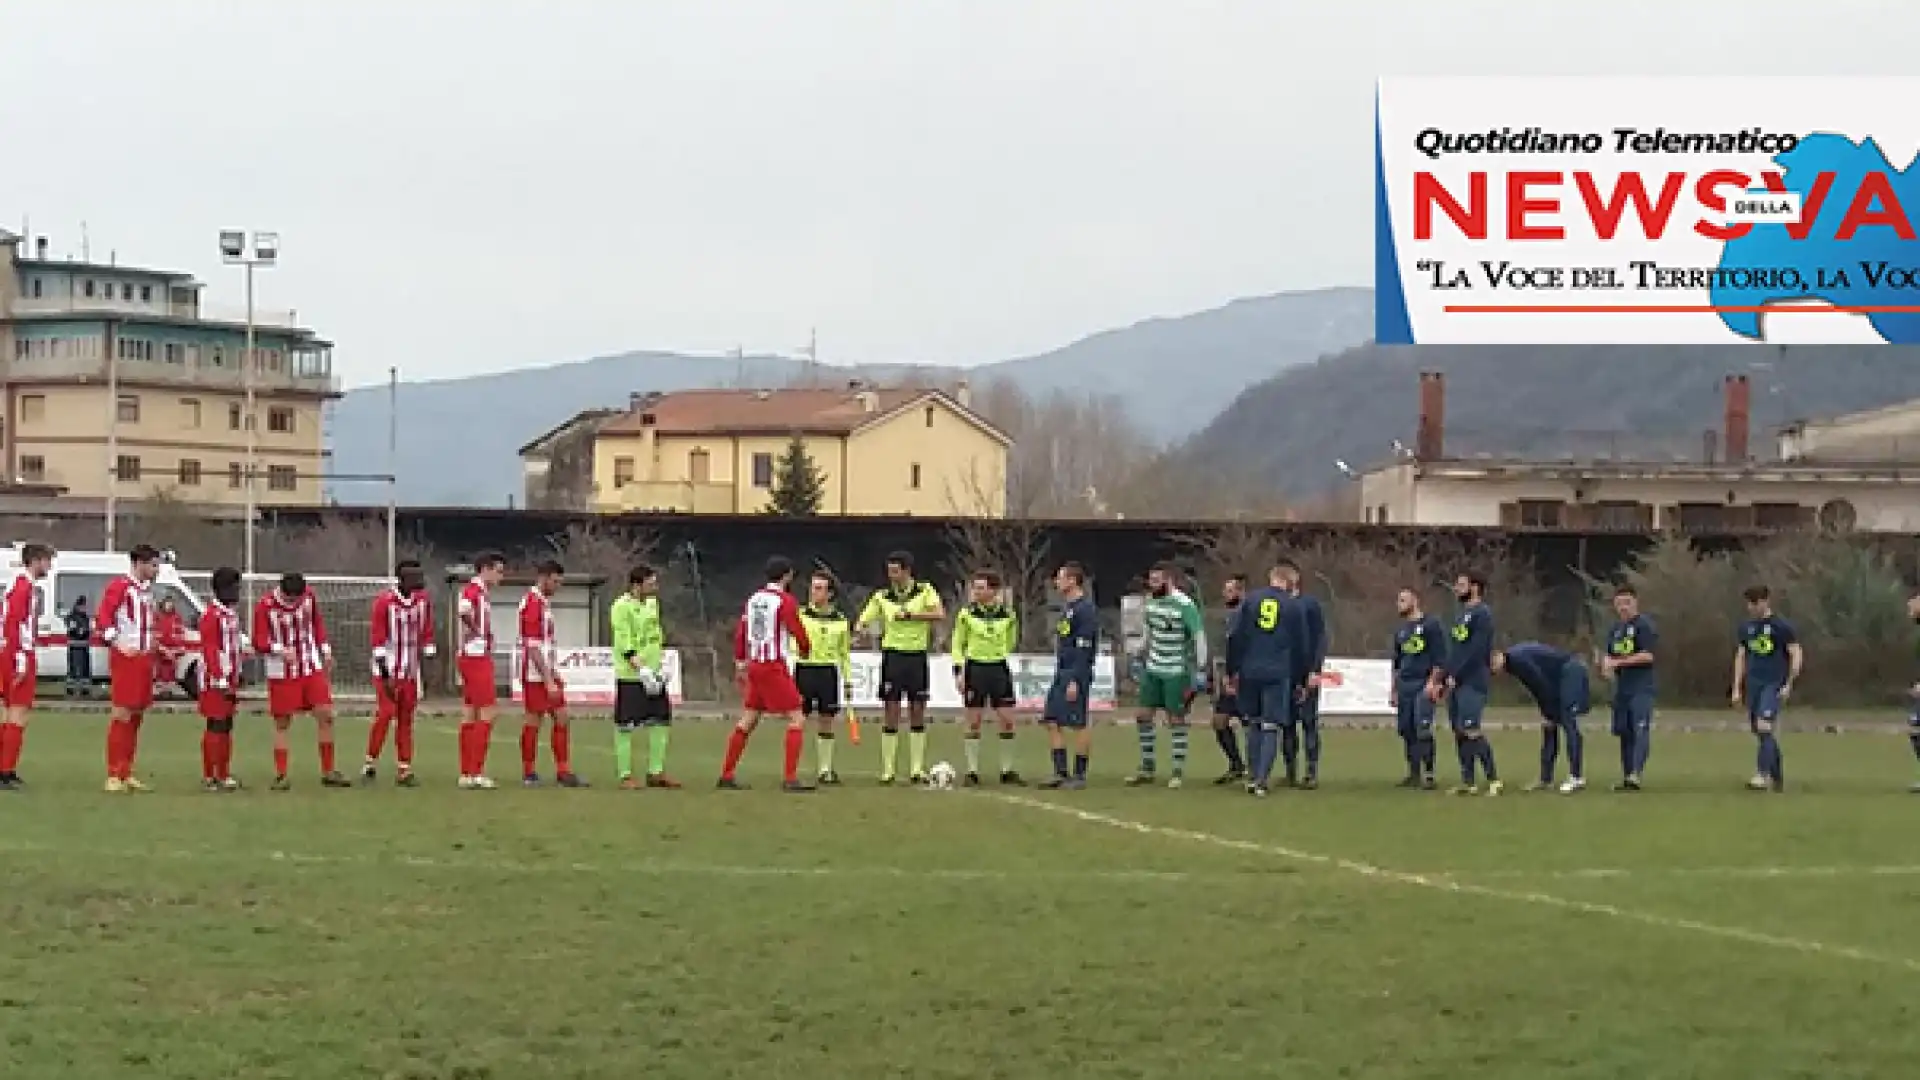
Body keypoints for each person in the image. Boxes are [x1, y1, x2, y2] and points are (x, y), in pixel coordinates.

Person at [722, 556, 814, 792]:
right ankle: (790, 778)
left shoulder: (753, 600)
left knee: (749, 718)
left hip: (755, 664)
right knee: (797, 718)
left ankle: (727, 774)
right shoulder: (784, 601)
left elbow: (742, 631)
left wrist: (740, 659)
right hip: (773, 665)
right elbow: (795, 628)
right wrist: (805, 648)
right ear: (788, 576)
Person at [254, 572, 347, 790]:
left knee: (325, 714)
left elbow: (317, 624)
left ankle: (328, 771)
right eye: (289, 599)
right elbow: (259, 640)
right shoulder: (265, 606)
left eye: (296, 598)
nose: (293, 603)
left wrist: (325, 651)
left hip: (310, 665)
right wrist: (279, 650)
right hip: (282, 671)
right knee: (283, 722)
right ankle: (281, 774)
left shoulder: (309, 597)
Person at [857, 551, 944, 785]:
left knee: (917, 710)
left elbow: (939, 613)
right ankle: (888, 769)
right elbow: (864, 620)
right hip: (893, 657)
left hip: (917, 656)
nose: (891, 575)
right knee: (891, 711)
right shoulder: (882, 596)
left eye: (895, 571)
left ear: (907, 571)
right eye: (889, 571)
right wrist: (862, 628)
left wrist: (912, 615)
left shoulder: (925, 590)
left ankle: (916, 768)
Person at [1224, 563, 1308, 797]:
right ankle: (1261, 779)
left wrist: (1232, 671)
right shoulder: (1293, 606)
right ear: (1289, 582)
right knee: (1271, 724)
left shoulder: (1250, 601)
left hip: (1250, 669)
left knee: (1252, 722)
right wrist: (1301, 679)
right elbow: (1301, 646)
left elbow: (1235, 637)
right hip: (1278, 672)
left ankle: (1252, 776)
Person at [1127, 562, 1207, 789]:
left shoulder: (1184, 604)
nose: (1152, 585)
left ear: (1169, 581)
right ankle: (1147, 767)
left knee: (1176, 719)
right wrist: (1137, 651)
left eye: (1156, 581)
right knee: (1143, 715)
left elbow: (1198, 634)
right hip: (1153, 668)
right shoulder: (1151, 602)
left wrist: (1201, 667)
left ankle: (1177, 772)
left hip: (1176, 670)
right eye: (1150, 580)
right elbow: (1148, 631)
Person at [1431, 572, 1503, 797]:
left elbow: (1476, 650)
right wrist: (1444, 678)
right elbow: (1454, 651)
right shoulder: (1460, 615)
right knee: (1459, 731)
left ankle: (1493, 778)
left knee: (1472, 729)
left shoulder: (1483, 614)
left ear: (1475, 587)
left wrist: (1458, 675)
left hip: (1472, 680)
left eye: (1461, 585)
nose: (1456, 588)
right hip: (1454, 682)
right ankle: (1468, 780)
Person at [365, 559, 435, 786]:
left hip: (410, 671)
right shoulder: (384, 602)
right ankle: (370, 761)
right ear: (402, 580)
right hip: (388, 668)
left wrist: (429, 661)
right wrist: (385, 676)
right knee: (386, 713)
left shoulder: (423, 601)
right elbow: (377, 638)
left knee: (406, 719)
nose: (420, 582)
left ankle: (404, 769)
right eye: (415, 578)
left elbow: (427, 631)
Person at [950, 569, 1022, 787]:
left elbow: (1011, 641)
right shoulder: (966, 614)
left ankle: (1007, 770)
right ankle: (972, 771)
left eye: (981, 588)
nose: (976, 592)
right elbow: (957, 644)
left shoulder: (1008, 615)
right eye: (975, 588)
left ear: (993, 591)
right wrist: (959, 671)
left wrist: (998, 653)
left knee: (1008, 720)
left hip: (998, 668)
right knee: (973, 721)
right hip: (975, 669)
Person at [518, 559, 586, 788]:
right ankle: (529, 772)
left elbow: (546, 644)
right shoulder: (531, 604)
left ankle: (563, 771)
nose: (558, 587)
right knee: (534, 720)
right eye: (555, 582)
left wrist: (554, 672)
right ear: (544, 578)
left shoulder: (543, 603)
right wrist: (547, 679)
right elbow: (533, 646)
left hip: (546, 671)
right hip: (535, 674)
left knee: (562, 716)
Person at [99, 544, 161, 793]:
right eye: (153, 565)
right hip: (127, 659)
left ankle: (126, 771)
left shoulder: (146, 592)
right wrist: (119, 644)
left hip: (145, 658)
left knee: (136, 715)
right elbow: (103, 619)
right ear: (139, 563)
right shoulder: (120, 587)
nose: (156, 570)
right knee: (122, 713)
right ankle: (113, 774)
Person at [612, 564, 677, 789]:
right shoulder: (621, 607)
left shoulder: (652, 604)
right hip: (631, 675)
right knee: (625, 725)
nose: (655, 587)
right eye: (650, 583)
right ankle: (625, 775)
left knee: (661, 720)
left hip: (654, 673)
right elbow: (624, 641)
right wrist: (640, 668)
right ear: (637, 585)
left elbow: (655, 635)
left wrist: (660, 663)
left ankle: (656, 771)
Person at [1493, 641, 1589, 794]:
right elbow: (1538, 685)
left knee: (1568, 723)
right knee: (1549, 726)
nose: (1493, 670)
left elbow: (1539, 683)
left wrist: (1548, 709)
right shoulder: (1512, 662)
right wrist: (1547, 712)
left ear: (1499, 655)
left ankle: (1576, 777)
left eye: (1493, 664)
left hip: (1571, 672)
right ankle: (1546, 778)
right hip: (1557, 678)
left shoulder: (1517, 660)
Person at [1732, 585, 1801, 793]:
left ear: (1765, 602)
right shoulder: (1746, 628)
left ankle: (1761, 775)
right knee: (1761, 732)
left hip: (1773, 683)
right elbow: (1741, 656)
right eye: (1749, 604)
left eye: (1754, 603)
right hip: (1754, 684)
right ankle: (1777, 775)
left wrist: (1789, 683)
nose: (1751, 608)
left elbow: (1796, 654)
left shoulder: (1782, 627)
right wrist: (1736, 687)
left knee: (1764, 726)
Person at [1038, 562, 1099, 789]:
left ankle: (1080, 775)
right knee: (1051, 720)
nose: (1056, 582)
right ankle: (1060, 772)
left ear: (1072, 580)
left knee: (1078, 722)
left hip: (1076, 673)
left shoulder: (1086, 610)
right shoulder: (1068, 608)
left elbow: (1086, 648)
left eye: (1060, 577)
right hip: (1062, 670)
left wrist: (1076, 678)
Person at [0, 542, 52, 789]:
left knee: (14, 712)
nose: (49, 566)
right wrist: (21, 657)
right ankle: (5, 771)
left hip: (14, 650)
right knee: (18, 713)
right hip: (17, 652)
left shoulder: (21, 584)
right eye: (47, 561)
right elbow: (14, 622)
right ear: (36, 560)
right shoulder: (23, 586)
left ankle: (5, 767)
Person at [455, 552, 507, 790]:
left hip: (473, 655)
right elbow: (463, 611)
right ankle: (476, 771)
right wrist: (478, 632)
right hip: (475, 657)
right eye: (498, 570)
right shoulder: (473, 590)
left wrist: (487, 635)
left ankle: (466, 772)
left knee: (470, 713)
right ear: (484, 569)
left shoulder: (481, 593)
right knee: (489, 712)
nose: (501, 576)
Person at [796, 569, 853, 786]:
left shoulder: (840, 621)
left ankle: (825, 769)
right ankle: (793, 769)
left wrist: (848, 680)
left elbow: (844, 654)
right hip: (805, 669)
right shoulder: (800, 615)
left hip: (828, 671)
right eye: (812, 588)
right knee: (798, 719)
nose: (814, 593)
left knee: (826, 720)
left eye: (819, 588)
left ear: (830, 594)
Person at [1275, 559, 1328, 789]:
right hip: (1284, 673)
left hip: (1307, 672)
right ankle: (1290, 770)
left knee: (1309, 722)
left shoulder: (1310, 604)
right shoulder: (1276, 605)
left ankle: (1311, 771)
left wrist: (1315, 670)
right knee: (1286, 724)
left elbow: (1320, 639)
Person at [1602, 585, 1659, 792]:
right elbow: (1608, 653)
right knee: (1624, 733)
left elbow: (1648, 655)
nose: (1623, 608)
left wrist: (1620, 663)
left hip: (1641, 687)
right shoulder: (1615, 630)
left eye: (1627, 603)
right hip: (1622, 688)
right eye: (1619, 604)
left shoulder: (1644, 626)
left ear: (1635, 602)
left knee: (1640, 729)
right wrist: (1606, 665)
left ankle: (1636, 773)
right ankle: (1627, 776)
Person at [1389, 586, 1445, 789]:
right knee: (1406, 729)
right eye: (1398, 600)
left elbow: (1440, 658)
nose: (1399, 604)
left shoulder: (1431, 625)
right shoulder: (1401, 631)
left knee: (1422, 728)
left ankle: (1429, 773)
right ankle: (1413, 773)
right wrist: (1394, 689)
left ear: (1415, 600)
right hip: (1405, 684)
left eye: (1403, 600)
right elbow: (1397, 662)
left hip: (1423, 683)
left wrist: (1433, 682)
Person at [198, 567, 245, 792]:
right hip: (215, 680)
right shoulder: (211, 616)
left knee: (226, 724)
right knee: (215, 724)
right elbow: (210, 649)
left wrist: (239, 672)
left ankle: (223, 772)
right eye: (234, 588)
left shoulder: (231, 615)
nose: (237, 592)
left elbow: (234, 648)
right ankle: (210, 775)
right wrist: (219, 678)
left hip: (230, 678)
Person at [1209, 574, 1249, 784]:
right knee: (1219, 721)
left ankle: (1256, 769)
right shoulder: (1229, 616)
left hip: (1243, 678)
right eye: (1225, 590)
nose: (1225, 594)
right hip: (1228, 676)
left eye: (1230, 590)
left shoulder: (1247, 615)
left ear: (1241, 592)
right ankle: (1236, 765)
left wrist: (1236, 675)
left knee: (1250, 723)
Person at [65, 595, 91, 697]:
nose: (84, 608)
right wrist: (80, 631)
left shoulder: (85, 617)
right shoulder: (72, 617)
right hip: (75, 646)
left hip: (84, 646)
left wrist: (84, 631)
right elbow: (73, 630)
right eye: (83, 606)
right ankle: (70, 689)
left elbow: (86, 631)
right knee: (74, 669)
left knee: (85, 669)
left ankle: (85, 690)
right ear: (78, 606)